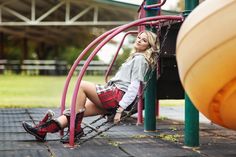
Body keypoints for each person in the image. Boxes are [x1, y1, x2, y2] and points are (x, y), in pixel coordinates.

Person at [22, 30, 160, 143]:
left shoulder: (141, 60)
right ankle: (42, 131)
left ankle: (76, 130)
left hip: (117, 95)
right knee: (74, 111)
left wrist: (120, 110)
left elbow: (134, 87)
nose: (139, 40)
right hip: (115, 95)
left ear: (149, 46)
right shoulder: (136, 57)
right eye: (139, 37)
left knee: (81, 85)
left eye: (144, 40)